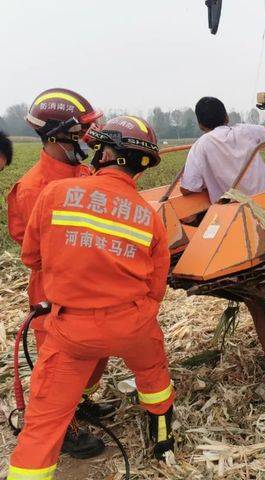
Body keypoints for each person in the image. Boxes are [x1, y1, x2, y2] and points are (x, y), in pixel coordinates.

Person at [8, 116, 175, 480]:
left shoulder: (53, 194)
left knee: (45, 420)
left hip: (72, 330)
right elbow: (156, 287)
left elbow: (32, 259)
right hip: (132, 323)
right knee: (153, 371)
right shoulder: (149, 217)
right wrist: (134, 315)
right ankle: (163, 439)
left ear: (108, 153)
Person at [6, 88, 110, 458]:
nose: (88, 138)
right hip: (57, 296)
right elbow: (33, 252)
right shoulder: (33, 189)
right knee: (58, 367)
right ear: (56, 136)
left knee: (94, 356)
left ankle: (76, 406)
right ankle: (61, 430)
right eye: (81, 131)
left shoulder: (83, 173)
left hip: (92, 289)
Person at [180, 97, 265, 401]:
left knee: (256, 297)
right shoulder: (247, 131)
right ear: (226, 116)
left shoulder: (201, 145)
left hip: (241, 226)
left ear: (200, 124)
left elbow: (189, 187)